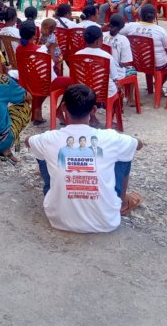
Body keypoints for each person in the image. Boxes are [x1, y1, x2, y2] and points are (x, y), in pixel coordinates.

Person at [25, 83, 143, 232]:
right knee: (126, 151)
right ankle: (122, 201)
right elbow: (138, 145)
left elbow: (28, 141)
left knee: (41, 151)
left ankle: (60, 195)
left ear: (63, 108)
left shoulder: (50, 138)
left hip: (58, 219)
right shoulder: (109, 138)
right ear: (93, 110)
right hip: (106, 221)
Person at [14, 22, 71, 123]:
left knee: (37, 78)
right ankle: (59, 110)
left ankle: (37, 112)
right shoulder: (41, 50)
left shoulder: (19, 49)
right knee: (73, 81)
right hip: (46, 84)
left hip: (27, 82)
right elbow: (51, 65)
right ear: (34, 35)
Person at [120, 4, 167, 93]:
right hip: (156, 64)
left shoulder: (130, 26)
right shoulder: (160, 30)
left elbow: (118, 33)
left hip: (137, 62)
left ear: (140, 15)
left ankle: (154, 85)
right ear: (154, 16)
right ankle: (159, 83)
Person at [75, 25, 121, 103]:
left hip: (83, 92)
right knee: (114, 85)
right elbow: (115, 78)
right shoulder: (107, 56)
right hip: (104, 93)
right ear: (98, 40)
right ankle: (109, 109)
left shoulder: (76, 55)